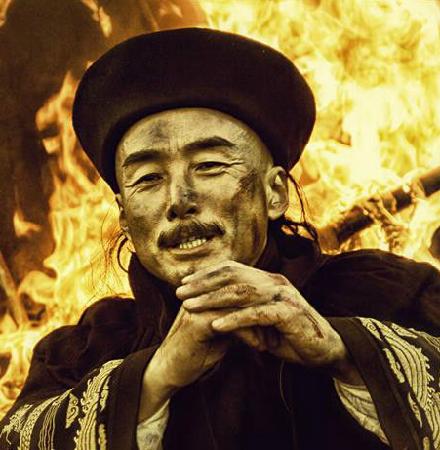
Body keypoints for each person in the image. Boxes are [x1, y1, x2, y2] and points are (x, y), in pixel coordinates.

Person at [0, 28, 439, 450]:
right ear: (125, 216)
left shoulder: (393, 295)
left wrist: (344, 352)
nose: (179, 200)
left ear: (275, 192)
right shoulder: (84, 351)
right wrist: (152, 380)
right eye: (148, 178)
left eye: (209, 165)